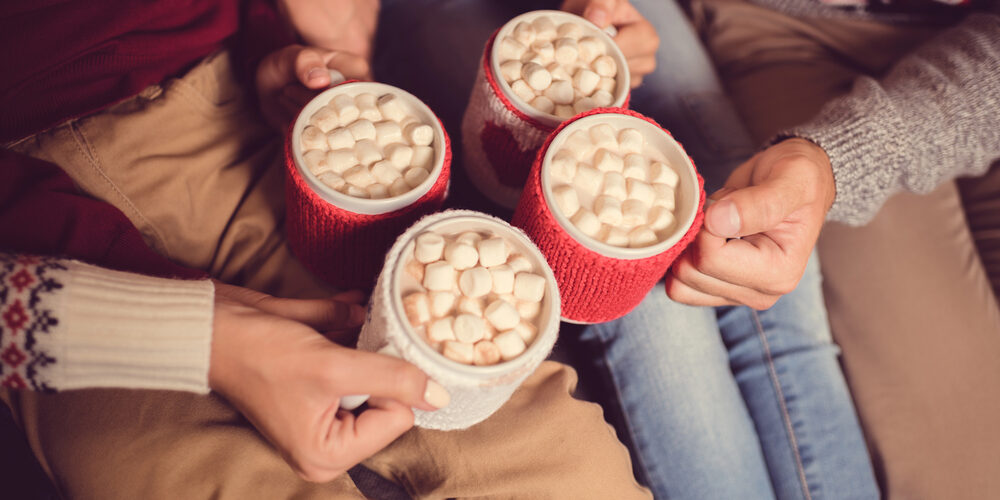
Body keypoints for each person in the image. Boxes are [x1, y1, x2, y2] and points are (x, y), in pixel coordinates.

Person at [0, 0, 656, 497]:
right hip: (37, 279)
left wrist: (274, 51)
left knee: (571, 467)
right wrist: (204, 337)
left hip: (224, 107)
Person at [667, 0, 1000, 497]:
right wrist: (834, 161)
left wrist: (855, 154)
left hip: (982, 48)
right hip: (790, 24)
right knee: (962, 475)